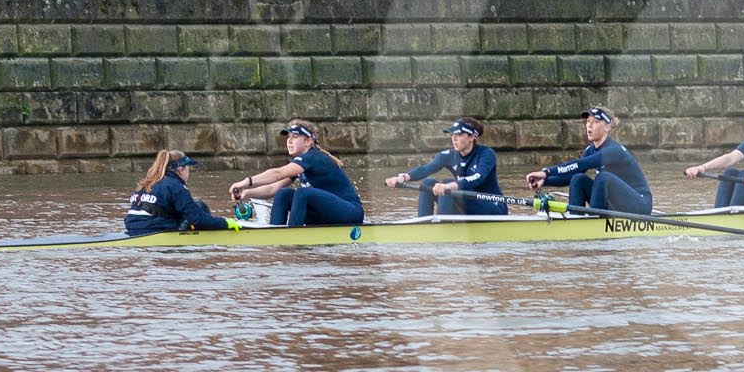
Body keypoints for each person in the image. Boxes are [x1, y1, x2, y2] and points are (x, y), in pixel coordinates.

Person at [230, 120, 366, 227]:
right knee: (283, 193)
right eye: (288, 137)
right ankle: (276, 235)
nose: (289, 141)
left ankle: (292, 235)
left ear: (308, 141)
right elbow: (273, 188)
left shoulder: (314, 157)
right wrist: (247, 193)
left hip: (350, 213)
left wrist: (246, 181)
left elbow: (278, 173)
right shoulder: (300, 164)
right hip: (327, 214)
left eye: (295, 137)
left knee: (302, 193)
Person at [527, 106, 653, 216]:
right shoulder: (590, 150)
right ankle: (576, 220)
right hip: (616, 202)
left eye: (596, 121)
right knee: (578, 178)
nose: (589, 125)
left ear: (607, 127)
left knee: (603, 178)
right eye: (588, 121)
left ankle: (594, 223)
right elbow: (569, 176)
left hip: (640, 204)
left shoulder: (614, 150)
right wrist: (545, 181)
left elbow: (579, 164)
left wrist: (546, 172)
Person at [386, 117, 506, 217]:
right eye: (452, 134)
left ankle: (445, 228)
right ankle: (423, 225)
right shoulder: (449, 155)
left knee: (448, 182)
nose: (454, 138)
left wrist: (450, 185)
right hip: (466, 202)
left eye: (459, 134)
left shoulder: (486, 154)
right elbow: (425, 169)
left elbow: (477, 178)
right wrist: (401, 178)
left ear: (471, 137)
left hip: (492, 206)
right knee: (428, 183)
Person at [125, 150, 237, 236]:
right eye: (188, 167)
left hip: (132, 229)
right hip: (152, 230)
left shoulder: (145, 184)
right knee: (199, 205)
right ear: (181, 169)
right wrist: (225, 223)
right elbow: (198, 219)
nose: (189, 171)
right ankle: (206, 236)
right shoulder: (175, 186)